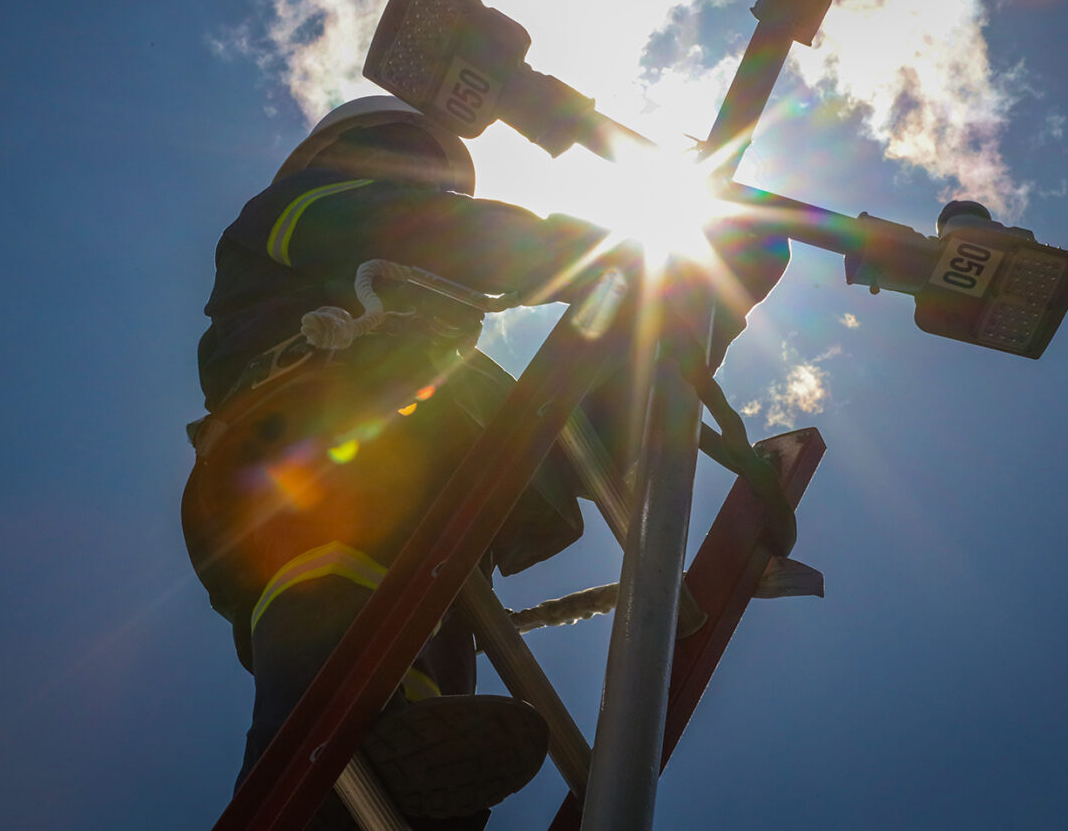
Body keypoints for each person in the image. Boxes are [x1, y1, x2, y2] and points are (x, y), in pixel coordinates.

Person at [183, 96, 789, 829]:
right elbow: (423, 230)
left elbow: (590, 427)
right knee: (333, 584)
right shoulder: (297, 210)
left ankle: (409, 769)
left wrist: (705, 296)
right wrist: (617, 259)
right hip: (296, 448)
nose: (425, 185)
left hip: (426, 507)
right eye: (408, 162)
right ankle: (333, 770)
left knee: (434, 657)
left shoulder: (451, 382)